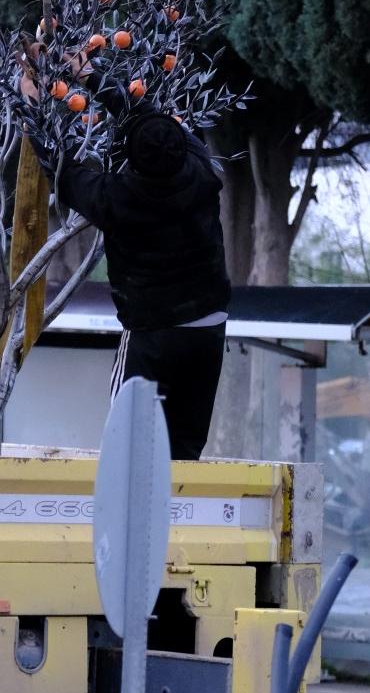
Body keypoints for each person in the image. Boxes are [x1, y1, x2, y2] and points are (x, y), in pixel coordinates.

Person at [20, 58, 230, 459]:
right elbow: (146, 115)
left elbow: (62, 170)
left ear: (132, 156)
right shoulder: (200, 169)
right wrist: (91, 74)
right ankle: (178, 519)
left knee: (127, 445)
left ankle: (126, 520)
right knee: (185, 448)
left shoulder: (118, 198)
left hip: (154, 333)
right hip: (209, 328)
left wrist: (34, 109)